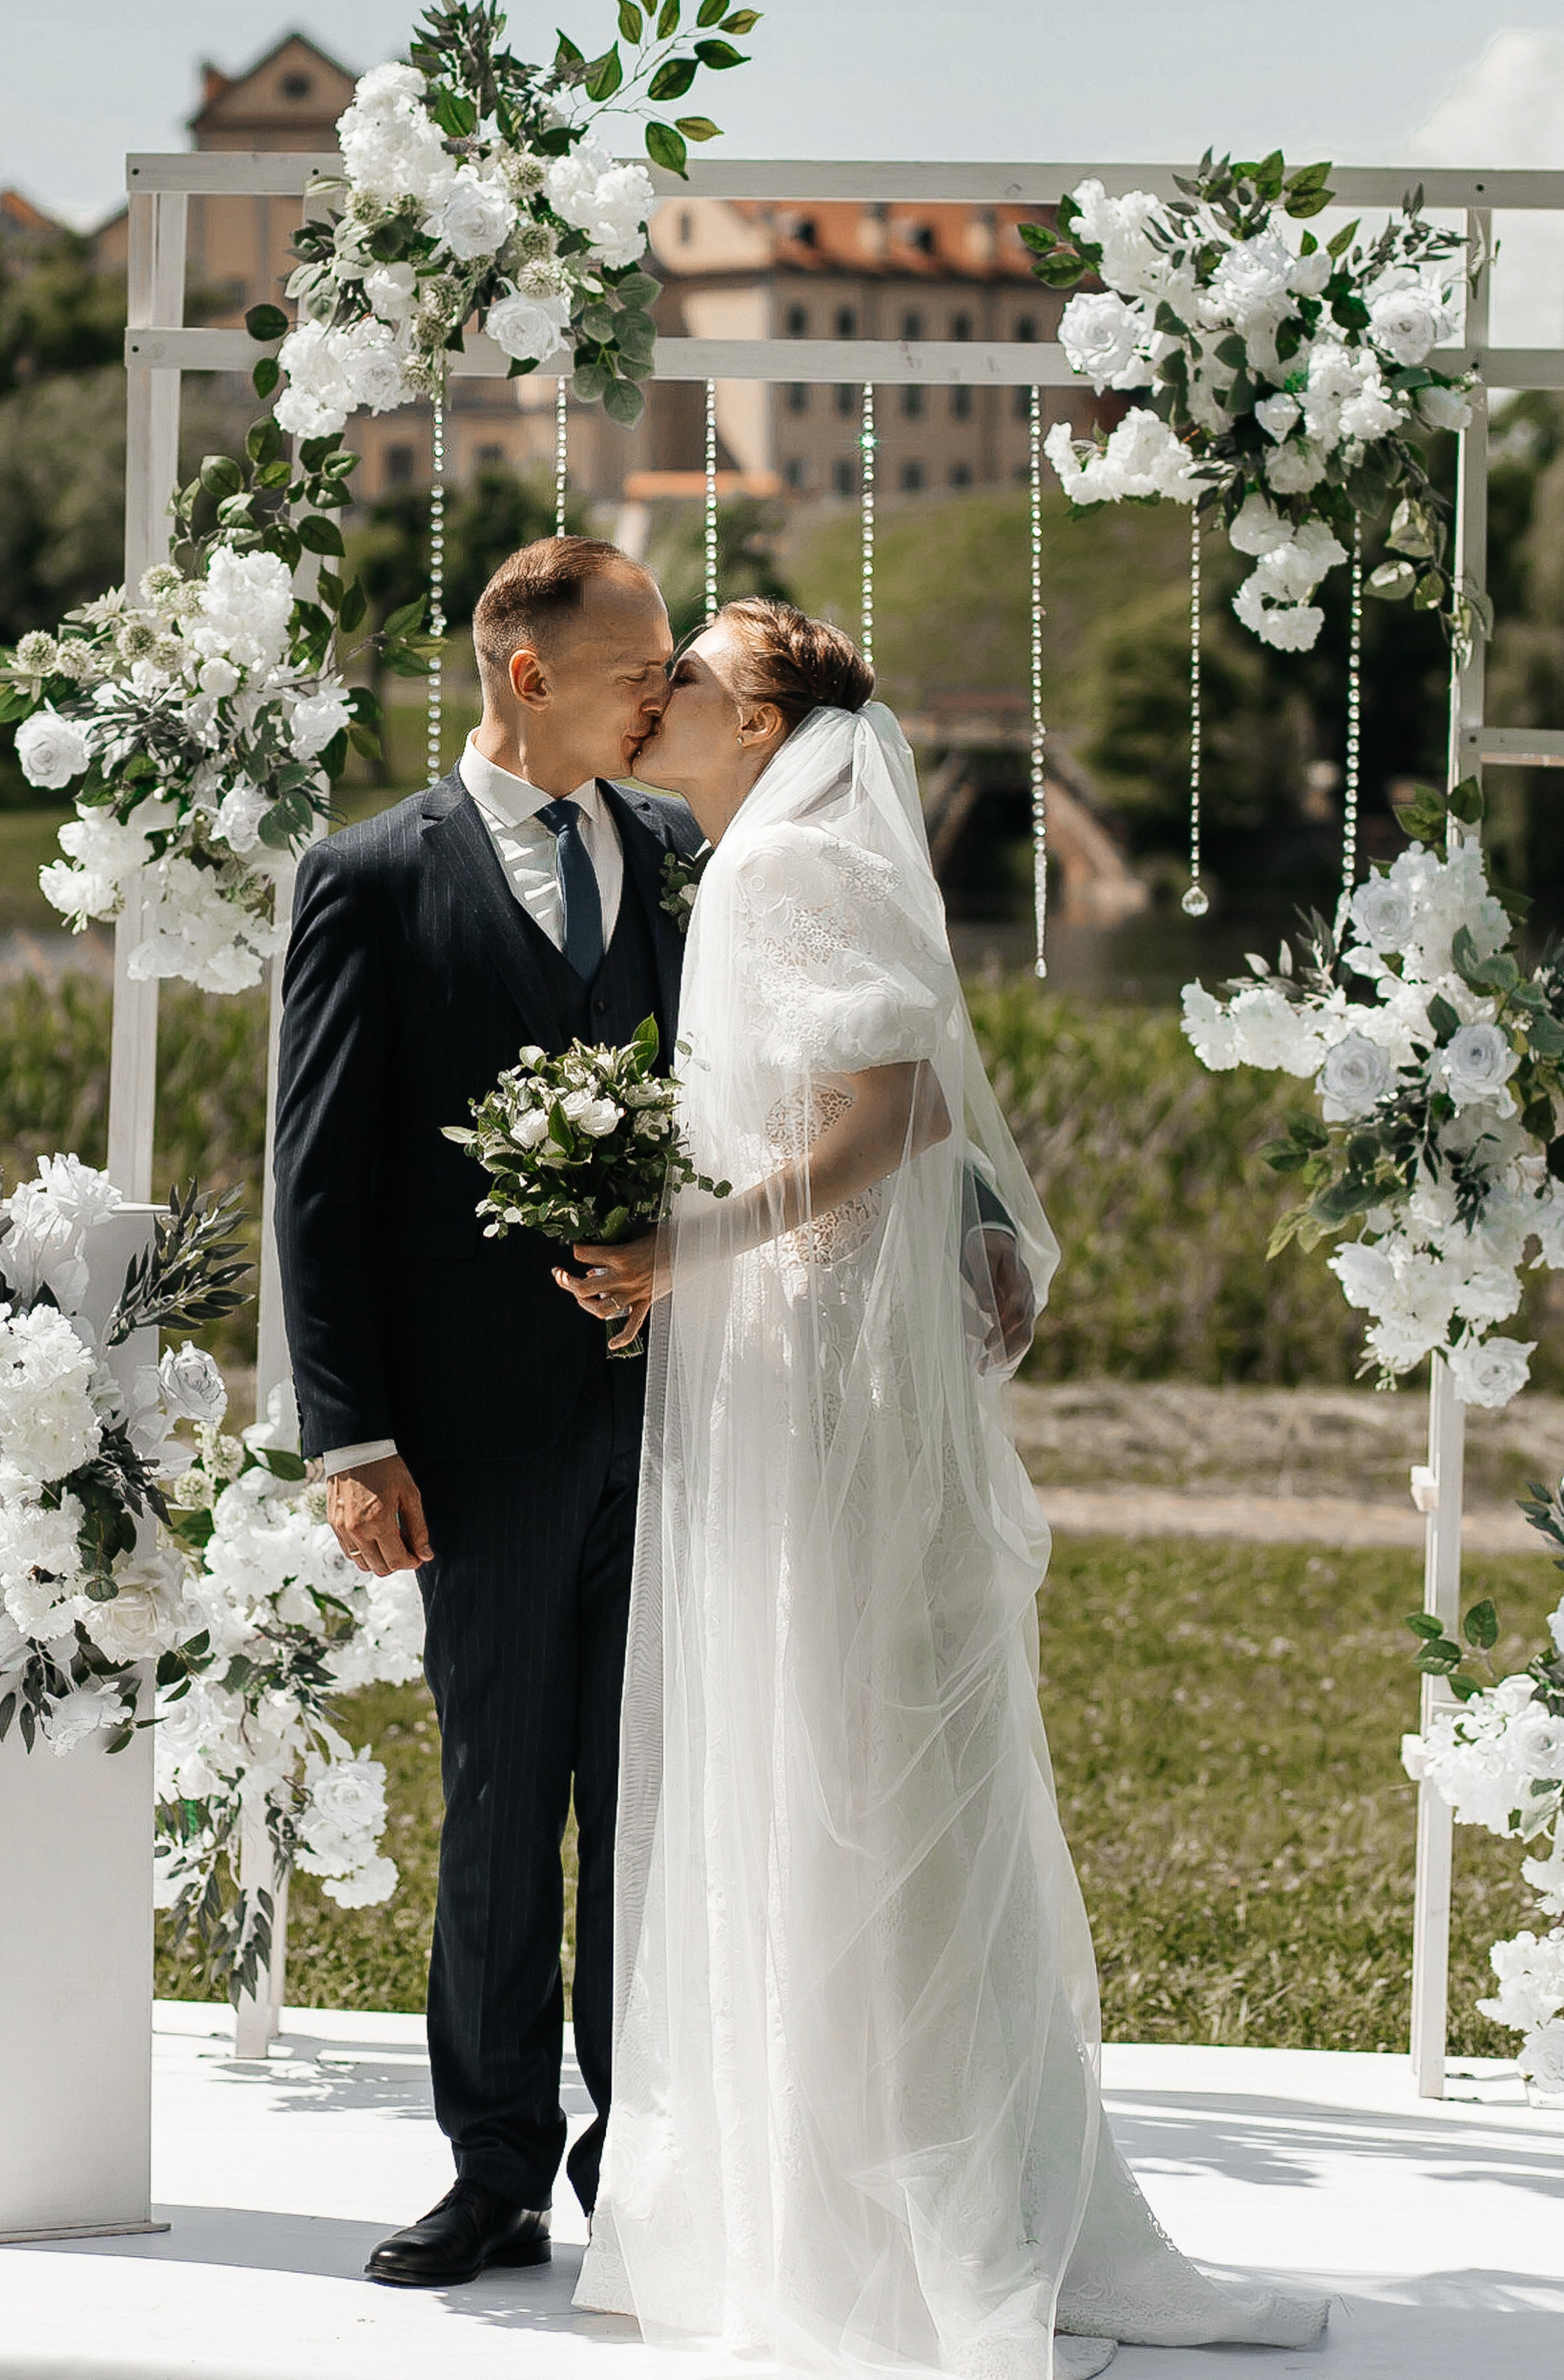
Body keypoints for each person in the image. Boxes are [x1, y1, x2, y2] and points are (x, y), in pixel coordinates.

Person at [562, 599, 1329, 2380]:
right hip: (809, 1355)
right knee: (815, 1746)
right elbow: (926, 1130)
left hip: (815, 1375)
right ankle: (847, 2181)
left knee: (831, 1755)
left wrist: (689, 1246)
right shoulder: (768, 852)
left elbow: (895, 1111)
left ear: (759, 725)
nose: (662, 684)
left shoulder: (780, 868)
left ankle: (874, 2213)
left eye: (695, 670)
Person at [273, 534, 704, 2289]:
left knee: (653, 1798)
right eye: (634, 673)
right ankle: (491, 2165)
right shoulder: (368, 877)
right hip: (472, 1439)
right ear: (524, 675)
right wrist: (347, 1435)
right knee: (497, 1794)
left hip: (680, 1424)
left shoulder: (672, 853)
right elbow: (317, 1177)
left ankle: (641, 2157)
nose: (661, 700)